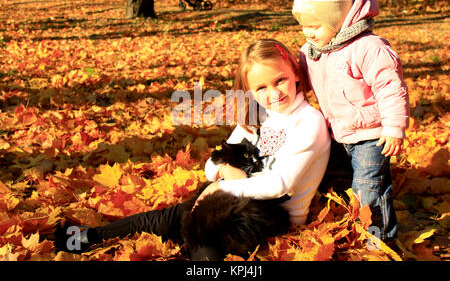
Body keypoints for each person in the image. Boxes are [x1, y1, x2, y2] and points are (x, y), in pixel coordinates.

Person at [54, 39, 331, 260]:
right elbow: (212, 162)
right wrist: (222, 170)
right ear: (249, 91)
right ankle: (91, 237)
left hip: (268, 220)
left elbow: (279, 185)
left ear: (295, 72)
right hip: (236, 201)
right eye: (261, 87)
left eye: (279, 80)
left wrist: (222, 188)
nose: (273, 93)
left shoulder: (308, 122)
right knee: (168, 216)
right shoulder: (260, 115)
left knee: (204, 241)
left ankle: (194, 247)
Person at [292, 0, 410, 242]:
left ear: (338, 20)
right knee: (332, 179)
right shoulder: (313, 51)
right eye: (303, 26)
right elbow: (302, 82)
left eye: (315, 26)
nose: (308, 33)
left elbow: (391, 87)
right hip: (337, 134)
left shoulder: (368, 47)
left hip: (372, 137)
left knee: (370, 187)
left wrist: (394, 127)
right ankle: (339, 223)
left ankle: (378, 239)